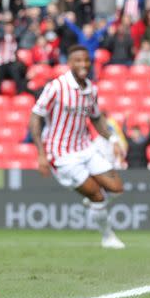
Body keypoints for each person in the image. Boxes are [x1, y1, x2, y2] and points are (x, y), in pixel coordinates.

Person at [29, 45, 127, 249]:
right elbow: (36, 116)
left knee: (117, 188)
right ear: (70, 63)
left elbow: (96, 117)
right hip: (61, 154)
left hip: (85, 147)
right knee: (98, 195)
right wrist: (40, 153)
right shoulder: (56, 87)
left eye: (86, 61)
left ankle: (93, 204)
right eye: (78, 61)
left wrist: (112, 140)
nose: (83, 65)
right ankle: (107, 237)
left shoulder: (91, 88)